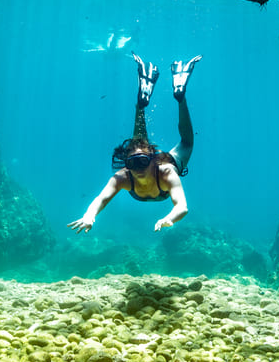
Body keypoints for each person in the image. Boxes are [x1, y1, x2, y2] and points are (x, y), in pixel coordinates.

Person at [69, 54, 201, 233]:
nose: (138, 168)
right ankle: (152, 102)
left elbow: (182, 207)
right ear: (126, 165)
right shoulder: (122, 177)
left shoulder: (166, 172)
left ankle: (167, 100)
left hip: (168, 160)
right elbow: (101, 199)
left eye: (142, 162)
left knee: (185, 142)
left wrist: (168, 219)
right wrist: (89, 215)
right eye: (132, 163)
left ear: (153, 160)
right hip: (155, 160)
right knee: (145, 143)